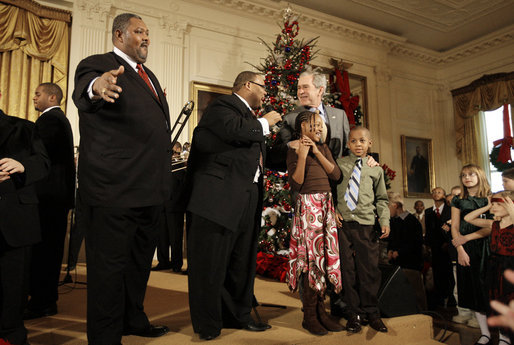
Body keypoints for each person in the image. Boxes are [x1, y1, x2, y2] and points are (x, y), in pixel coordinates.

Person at [72, 13, 171, 344]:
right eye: (139, 31)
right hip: (113, 191)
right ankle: (105, 337)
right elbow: (87, 90)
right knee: (108, 272)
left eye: (148, 32)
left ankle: (133, 318)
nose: (146, 37)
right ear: (119, 35)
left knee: (138, 266)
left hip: (150, 192)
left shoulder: (150, 76)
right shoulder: (98, 64)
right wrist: (98, 87)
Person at [186, 71, 282, 341]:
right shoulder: (223, 106)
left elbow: (259, 154)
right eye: (263, 87)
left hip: (246, 196)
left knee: (241, 262)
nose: (266, 92)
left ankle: (238, 316)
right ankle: (208, 324)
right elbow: (233, 131)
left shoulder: (251, 118)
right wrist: (265, 122)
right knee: (210, 264)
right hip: (216, 199)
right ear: (247, 85)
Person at [286, 111, 343, 335]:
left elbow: (336, 175)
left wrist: (317, 151)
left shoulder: (324, 147)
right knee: (311, 261)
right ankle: (309, 315)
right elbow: (297, 182)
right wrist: (302, 154)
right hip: (309, 206)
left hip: (325, 206)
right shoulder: (292, 148)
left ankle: (321, 311)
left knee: (325, 260)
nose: (319, 128)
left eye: (321, 125)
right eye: (314, 124)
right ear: (302, 126)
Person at [0, 94, 50, 345]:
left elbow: (43, 163)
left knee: (14, 285)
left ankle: (12, 336)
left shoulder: (25, 128)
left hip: (16, 219)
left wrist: (21, 166)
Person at [24, 83, 75, 320]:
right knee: (48, 251)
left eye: (38, 94)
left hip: (48, 198)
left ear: (52, 96)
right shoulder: (57, 120)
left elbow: (35, 153)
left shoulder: (50, 120)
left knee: (45, 252)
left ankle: (42, 302)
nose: (34, 97)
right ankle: (43, 299)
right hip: (55, 197)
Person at [335, 126, 390, 333]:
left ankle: (372, 312)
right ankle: (353, 313)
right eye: (354, 141)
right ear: (348, 144)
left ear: (370, 143)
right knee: (347, 270)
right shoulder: (339, 165)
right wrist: (333, 210)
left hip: (366, 224)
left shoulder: (375, 169)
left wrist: (385, 220)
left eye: (362, 141)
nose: (358, 145)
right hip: (343, 225)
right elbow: (329, 190)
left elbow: (382, 199)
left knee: (369, 270)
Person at [453, 191, 514, 344]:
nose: (493, 207)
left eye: (497, 204)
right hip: (494, 269)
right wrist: (487, 205)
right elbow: (468, 218)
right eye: (492, 204)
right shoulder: (493, 224)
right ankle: (503, 338)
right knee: (496, 304)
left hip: (510, 269)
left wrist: (512, 209)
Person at [269, 66, 350, 169]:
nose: (300, 92)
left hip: (336, 180)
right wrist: (290, 145)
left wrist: (365, 160)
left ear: (320, 90)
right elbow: (275, 154)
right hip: (308, 180)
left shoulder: (340, 115)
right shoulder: (290, 118)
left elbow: (349, 149)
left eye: (305, 87)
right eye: (299, 88)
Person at [451, 164, 492, 344]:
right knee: (473, 290)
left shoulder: (490, 198)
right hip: (465, 250)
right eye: (464, 175)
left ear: (480, 176)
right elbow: (454, 226)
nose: (467, 178)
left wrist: (465, 238)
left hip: (486, 247)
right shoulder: (458, 200)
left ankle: (505, 336)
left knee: (489, 291)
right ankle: (485, 334)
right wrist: (460, 249)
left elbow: (492, 227)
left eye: (471, 174)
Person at [388, 192, 426, 311]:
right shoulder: (394, 221)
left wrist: (399, 252)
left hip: (411, 264)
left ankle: (422, 315)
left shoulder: (412, 221)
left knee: (416, 293)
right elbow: (393, 239)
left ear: (395, 205)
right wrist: (390, 250)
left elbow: (415, 243)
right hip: (397, 263)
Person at [153, 142, 187, 272]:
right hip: (162, 205)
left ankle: (176, 263)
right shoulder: (162, 168)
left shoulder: (181, 170)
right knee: (162, 236)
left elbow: (183, 189)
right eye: (171, 153)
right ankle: (163, 261)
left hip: (175, 207)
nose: (173, 155)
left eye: (176, 153)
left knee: (175, 238)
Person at [425, 187, 454, 309]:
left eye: (439, 192)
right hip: (435, 248)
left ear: (444, 195)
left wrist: (448, 243)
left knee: (449, 273)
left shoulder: (450, 210)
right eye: (434, 192)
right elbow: (429, 231)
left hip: (448, 247)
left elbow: (453, 228)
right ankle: (440, 298)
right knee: (437, 273)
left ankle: (451, 298)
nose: (436, 194)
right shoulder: (428, 212)